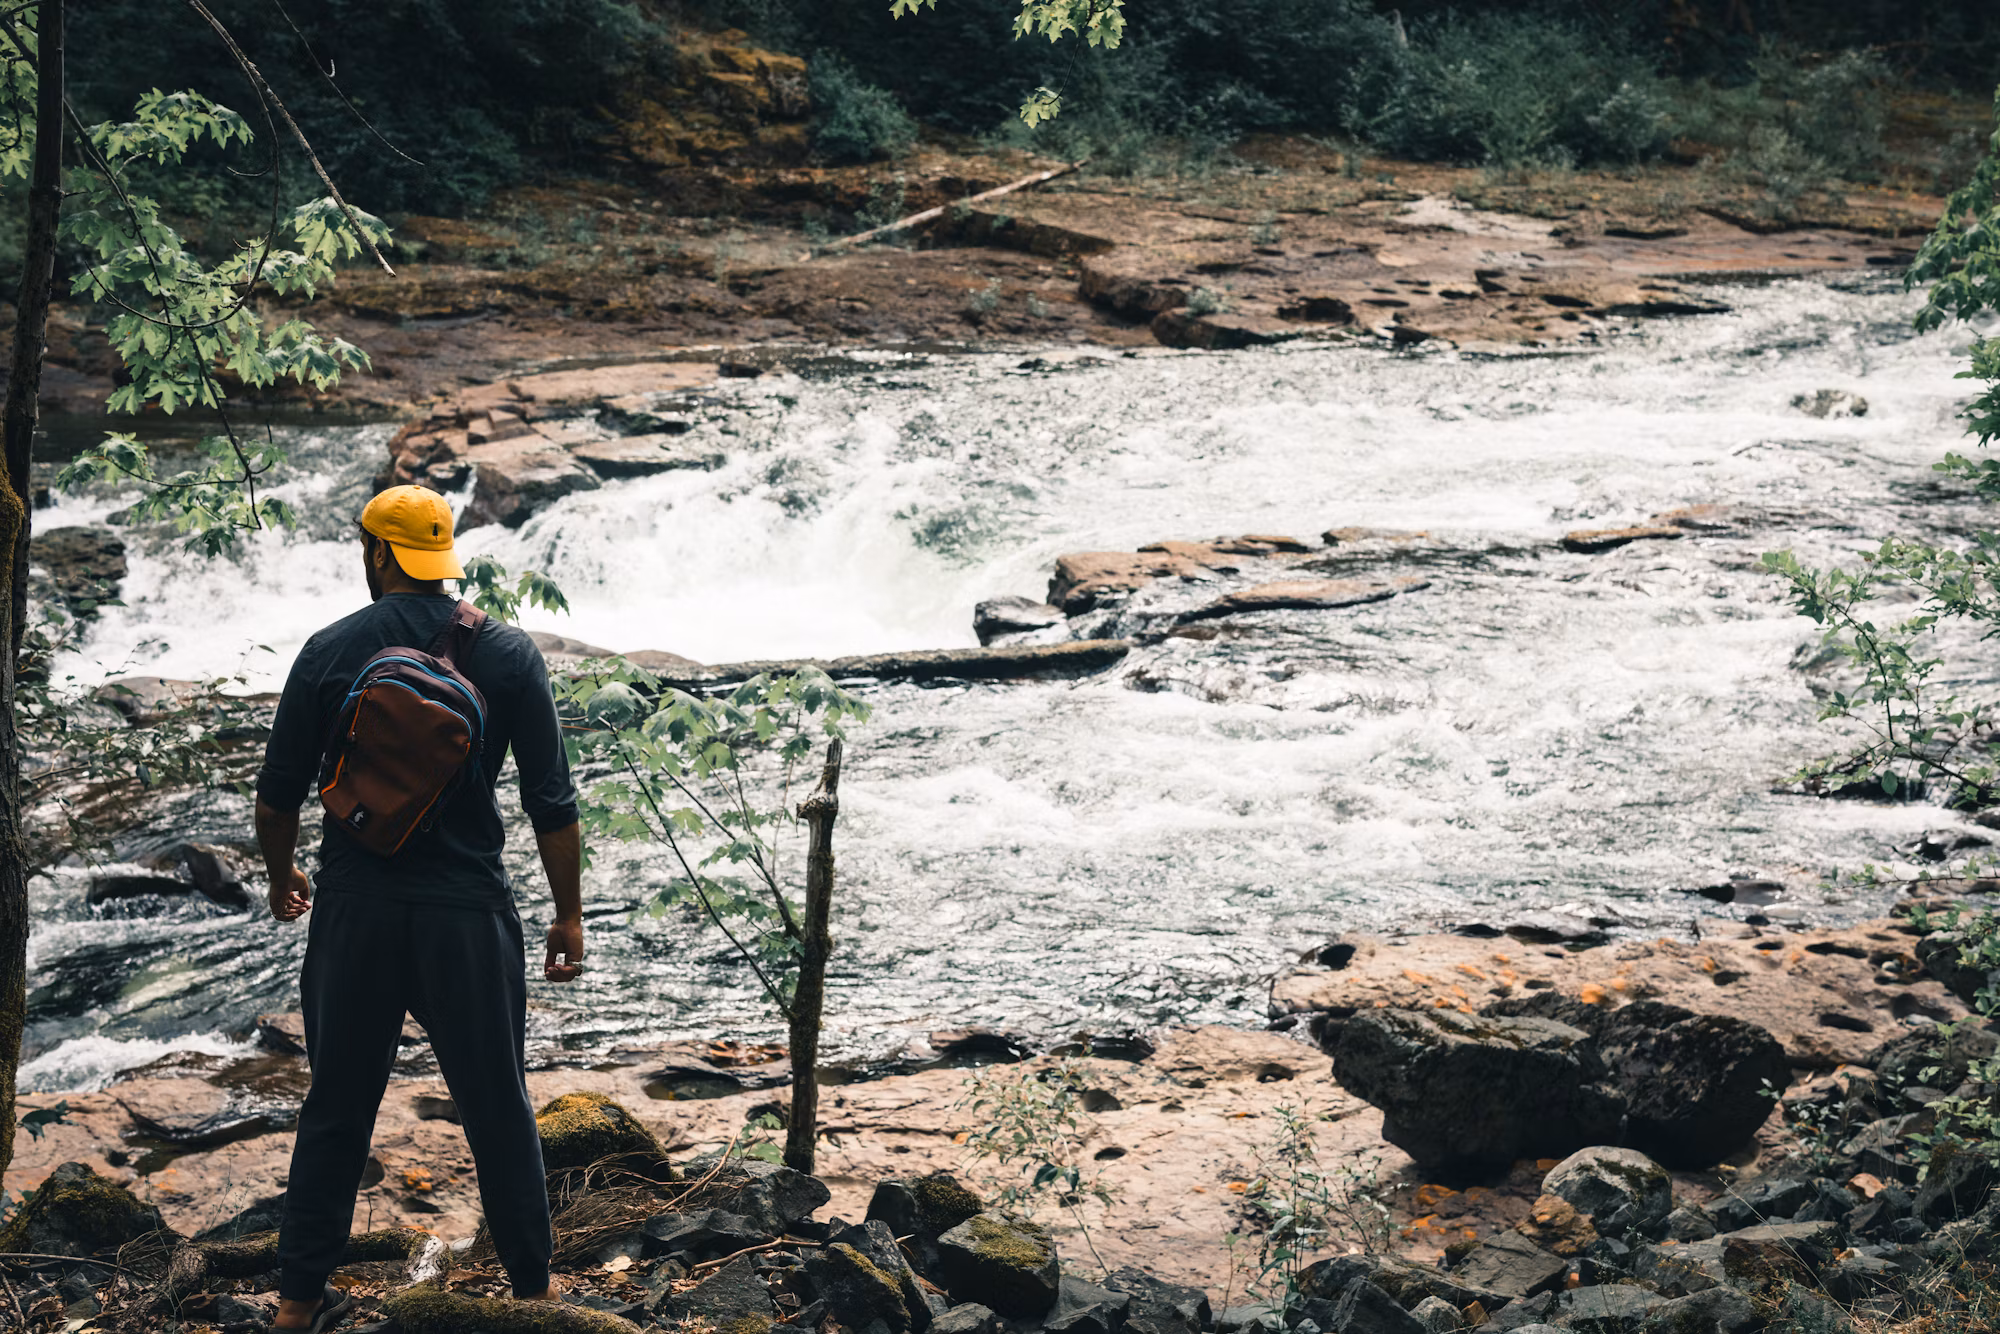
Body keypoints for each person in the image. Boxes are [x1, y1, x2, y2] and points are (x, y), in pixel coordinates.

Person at [253, 484, 585, 1332]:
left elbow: (278, 792)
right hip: (466, 914)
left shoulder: (329, 650)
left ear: (377, 552)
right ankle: (534, 1295)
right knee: (497, 1104)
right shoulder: (507, 653)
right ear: (441, 556)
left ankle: (296, 1305)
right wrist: (568, 913)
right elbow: (552, 801)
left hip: (355, 910)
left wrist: (283, 874)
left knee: (337, 1107)